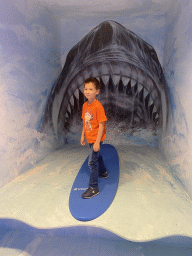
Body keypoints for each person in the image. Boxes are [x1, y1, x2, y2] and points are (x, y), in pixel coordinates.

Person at [81, 77, 108, 199]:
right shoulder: (85, 105)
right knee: (97, 156)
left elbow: (102, 124)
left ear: (97, 91)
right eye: (86, 88)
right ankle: (103, 172)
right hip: (89, 137)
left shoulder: (98, 106)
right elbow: (85, 122)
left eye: (90, 89)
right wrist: (82, 135)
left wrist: (98, 142)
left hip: (97, 138)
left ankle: (94, 187)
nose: (87, 91)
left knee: (91, 162)